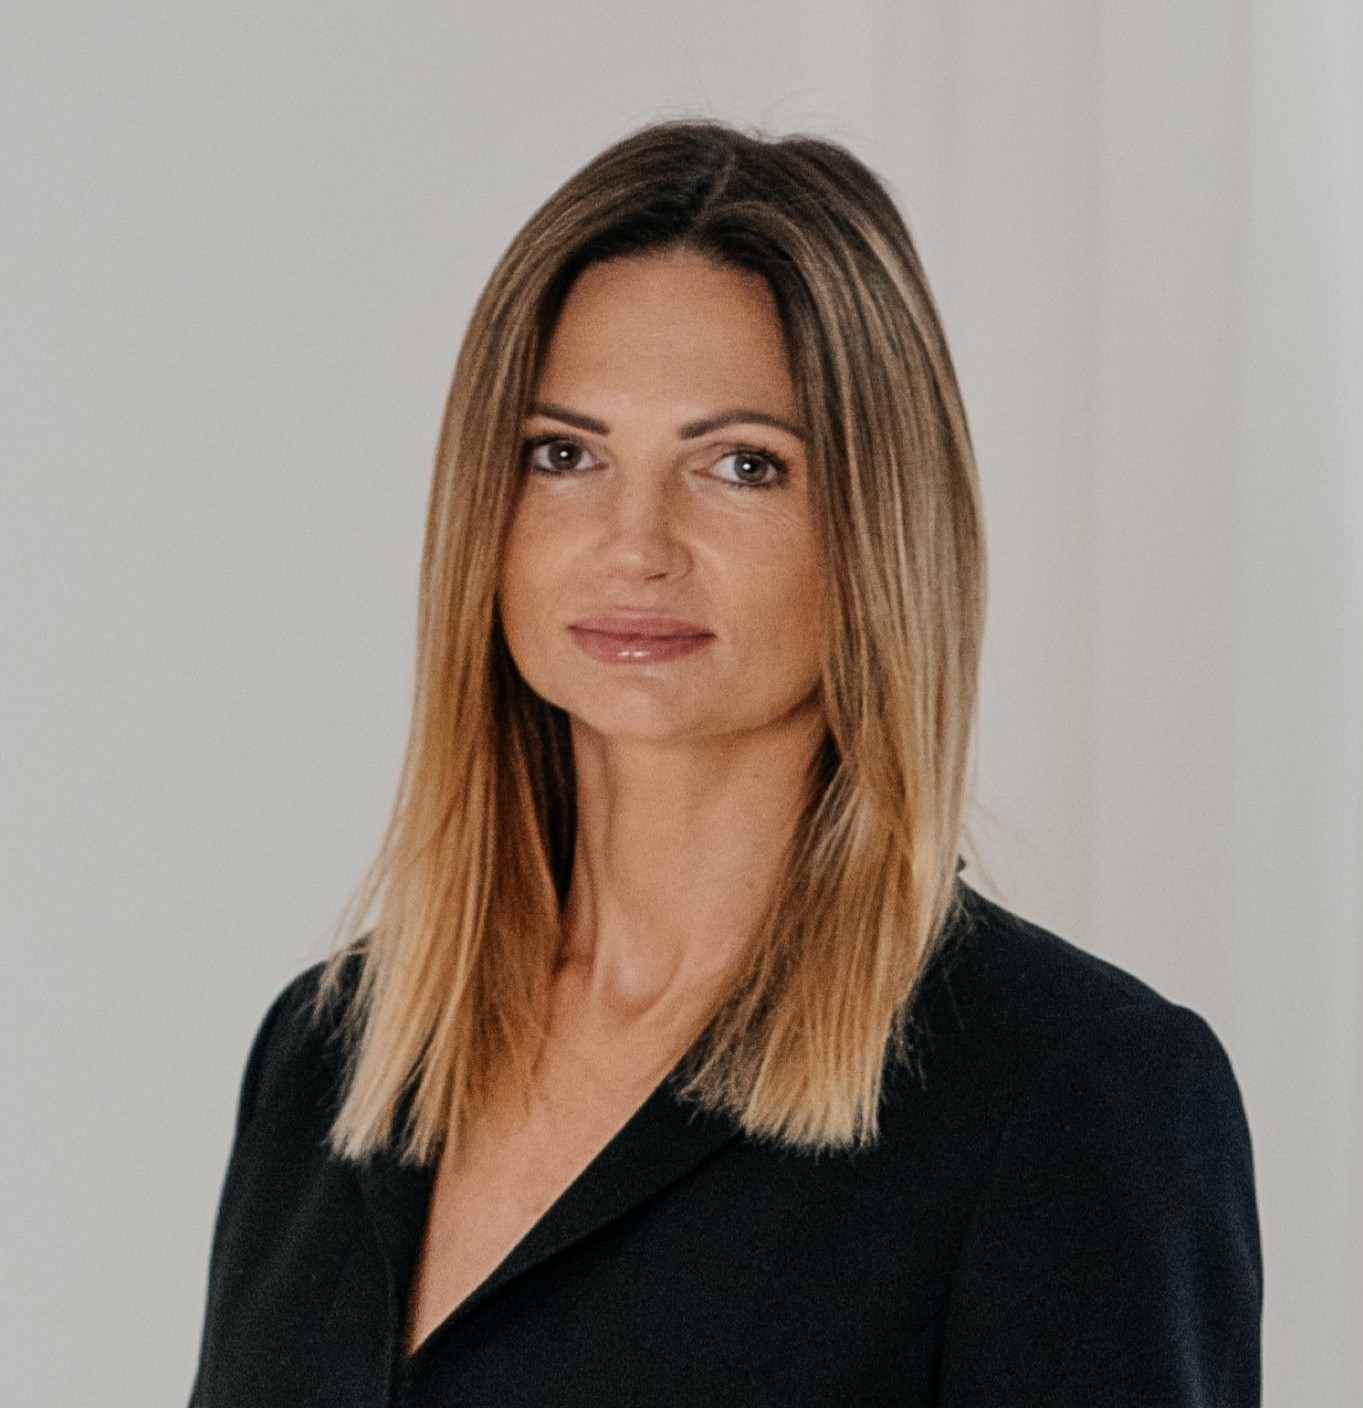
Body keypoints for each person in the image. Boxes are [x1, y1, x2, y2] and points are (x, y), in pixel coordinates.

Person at [186, 118, 1262, 1407]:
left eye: (742, 465)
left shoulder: (1076, 1097)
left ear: (878, 527)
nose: (634, 542)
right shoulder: (327, 1053)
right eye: (564, 455)